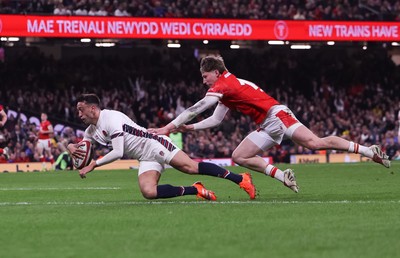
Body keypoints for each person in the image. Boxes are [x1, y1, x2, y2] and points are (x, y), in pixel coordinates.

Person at [148, 55, 391, 193]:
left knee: (315, 143)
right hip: (266, 123)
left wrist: (168, 127)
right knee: (240, 156)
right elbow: (216, 119)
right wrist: (190, 128)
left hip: (277, 115)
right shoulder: (228, 87)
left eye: (205, 76)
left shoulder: (224, 85)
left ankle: (370, 151)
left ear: (216, 72)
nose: (204, 81)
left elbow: (198, 108)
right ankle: (282, 175)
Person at [67, 93, 255, 201]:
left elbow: (118, 152)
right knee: (149, 192)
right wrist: (70, 147)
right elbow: (82, 150)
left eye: (81, 109)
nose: (79, 114)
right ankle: (195, 190)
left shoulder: (111, 118)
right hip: (145, 156)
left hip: (153, 143)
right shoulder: (91, 130)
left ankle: (241, 178)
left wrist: (93, 165)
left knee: (191, 167)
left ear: (92, 108)